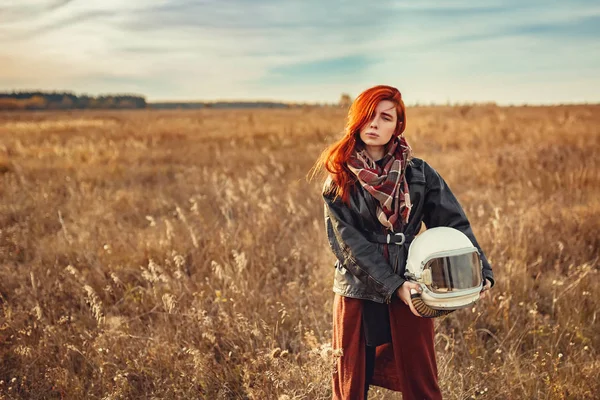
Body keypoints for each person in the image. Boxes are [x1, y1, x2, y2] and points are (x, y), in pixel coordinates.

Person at [310, 85, 495, 399]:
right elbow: (349, 246)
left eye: (385, 117)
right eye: (368, 116)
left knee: (421, 383)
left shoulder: (419, 174)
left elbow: (453, 224)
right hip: (357, 287)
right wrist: (393, 285)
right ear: (356, 120)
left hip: (415, 284)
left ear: (398, 125)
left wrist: (482, 270)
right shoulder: (339, 177)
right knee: (350, 385)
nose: (374, 124)